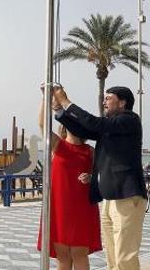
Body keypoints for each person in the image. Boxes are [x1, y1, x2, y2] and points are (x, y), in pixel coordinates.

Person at [52, 85, 146, 270]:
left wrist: (66, 101)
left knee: (124, 257)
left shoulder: (129, 120)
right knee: (112, 257)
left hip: (126, 196)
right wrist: (59, 111)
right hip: (111, 198)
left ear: (122, 102)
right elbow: (83, 130)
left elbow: (94, 123)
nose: (104, 101)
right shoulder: (110, 127)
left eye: (108, 97)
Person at [37, 95, 101, 269]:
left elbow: (102, 177)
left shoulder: (91, 151)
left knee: (79, 254)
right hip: (59, 206)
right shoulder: (58, 145)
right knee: (63, 256)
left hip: (82, 207)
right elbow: (43, 125)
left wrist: (91, 177)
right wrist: (45, 97)